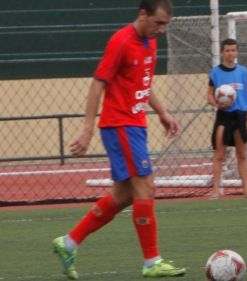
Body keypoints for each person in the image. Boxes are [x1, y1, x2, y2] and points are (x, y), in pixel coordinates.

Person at [52, 0, 186, 279]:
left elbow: (143, 84)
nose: (161, 29)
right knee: (146, 185)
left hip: (136, 125)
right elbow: (97, 83)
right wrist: (87, 129)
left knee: (124, 195)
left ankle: (69, 242)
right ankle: (152, 262)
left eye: (165, 25)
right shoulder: (121, 42)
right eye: (158, 23)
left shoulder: (150, 42)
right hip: (120, 125)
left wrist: (162, 112)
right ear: (142, 15)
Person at [207, 38, 247, 200]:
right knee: (219, 154)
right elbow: (209, 95)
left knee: (242, 154)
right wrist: (216, 103)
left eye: (233, 50)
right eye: (227, 50)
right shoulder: (215, 72)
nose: (230, 53)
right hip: (224, 117)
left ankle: (246, 190)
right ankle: (216, 191)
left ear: (237, 52)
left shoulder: (243, 71)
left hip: (240, 116)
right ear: (222, 52)